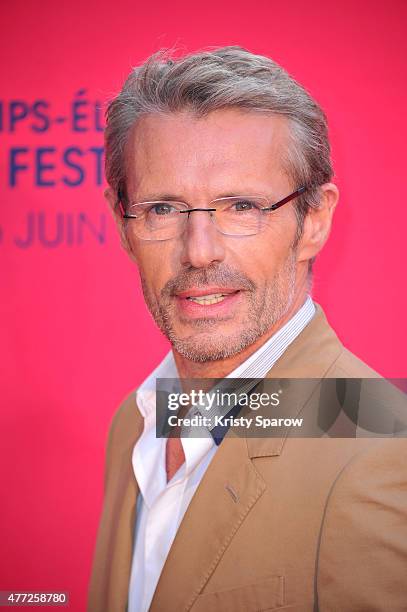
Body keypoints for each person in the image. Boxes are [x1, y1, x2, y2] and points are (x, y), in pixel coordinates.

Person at [88, 47, 407, 611]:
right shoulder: (133, 424)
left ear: (313, 221)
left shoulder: (384, 452)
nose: (199, 252)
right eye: (162, 208)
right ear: (123, 223)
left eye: (241, 206)